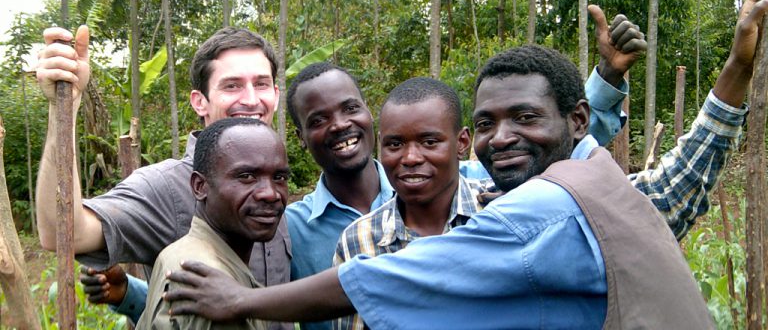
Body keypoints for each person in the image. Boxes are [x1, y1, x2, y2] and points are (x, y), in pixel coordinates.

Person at [160, 0, 768, 326]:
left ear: (455, 148)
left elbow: (670, 186)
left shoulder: (512, 209)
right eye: (397, 145)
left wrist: (244, 302)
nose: (503, 139)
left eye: (430, 141)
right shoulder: (330, 231)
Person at [34, 26, 292, 328]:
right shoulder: (166, 187)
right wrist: (64, 106)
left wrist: (129, 293)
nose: (250, 100)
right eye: (232, 86)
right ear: (199, 101)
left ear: (275, 95)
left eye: (261, 84)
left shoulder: (276, 189)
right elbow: (63, 231)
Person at [332, 77, 494, 330]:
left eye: (429, 142)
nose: (410, 158)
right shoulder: (359, 240)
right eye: (395, 144)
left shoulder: (500, 211)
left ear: (462, 143)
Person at [136, 118, 289, 329]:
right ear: (200, 186)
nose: (270, 194)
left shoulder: (186, 255)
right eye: (246, 176)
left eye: (279, 177)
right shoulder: (209, 287)